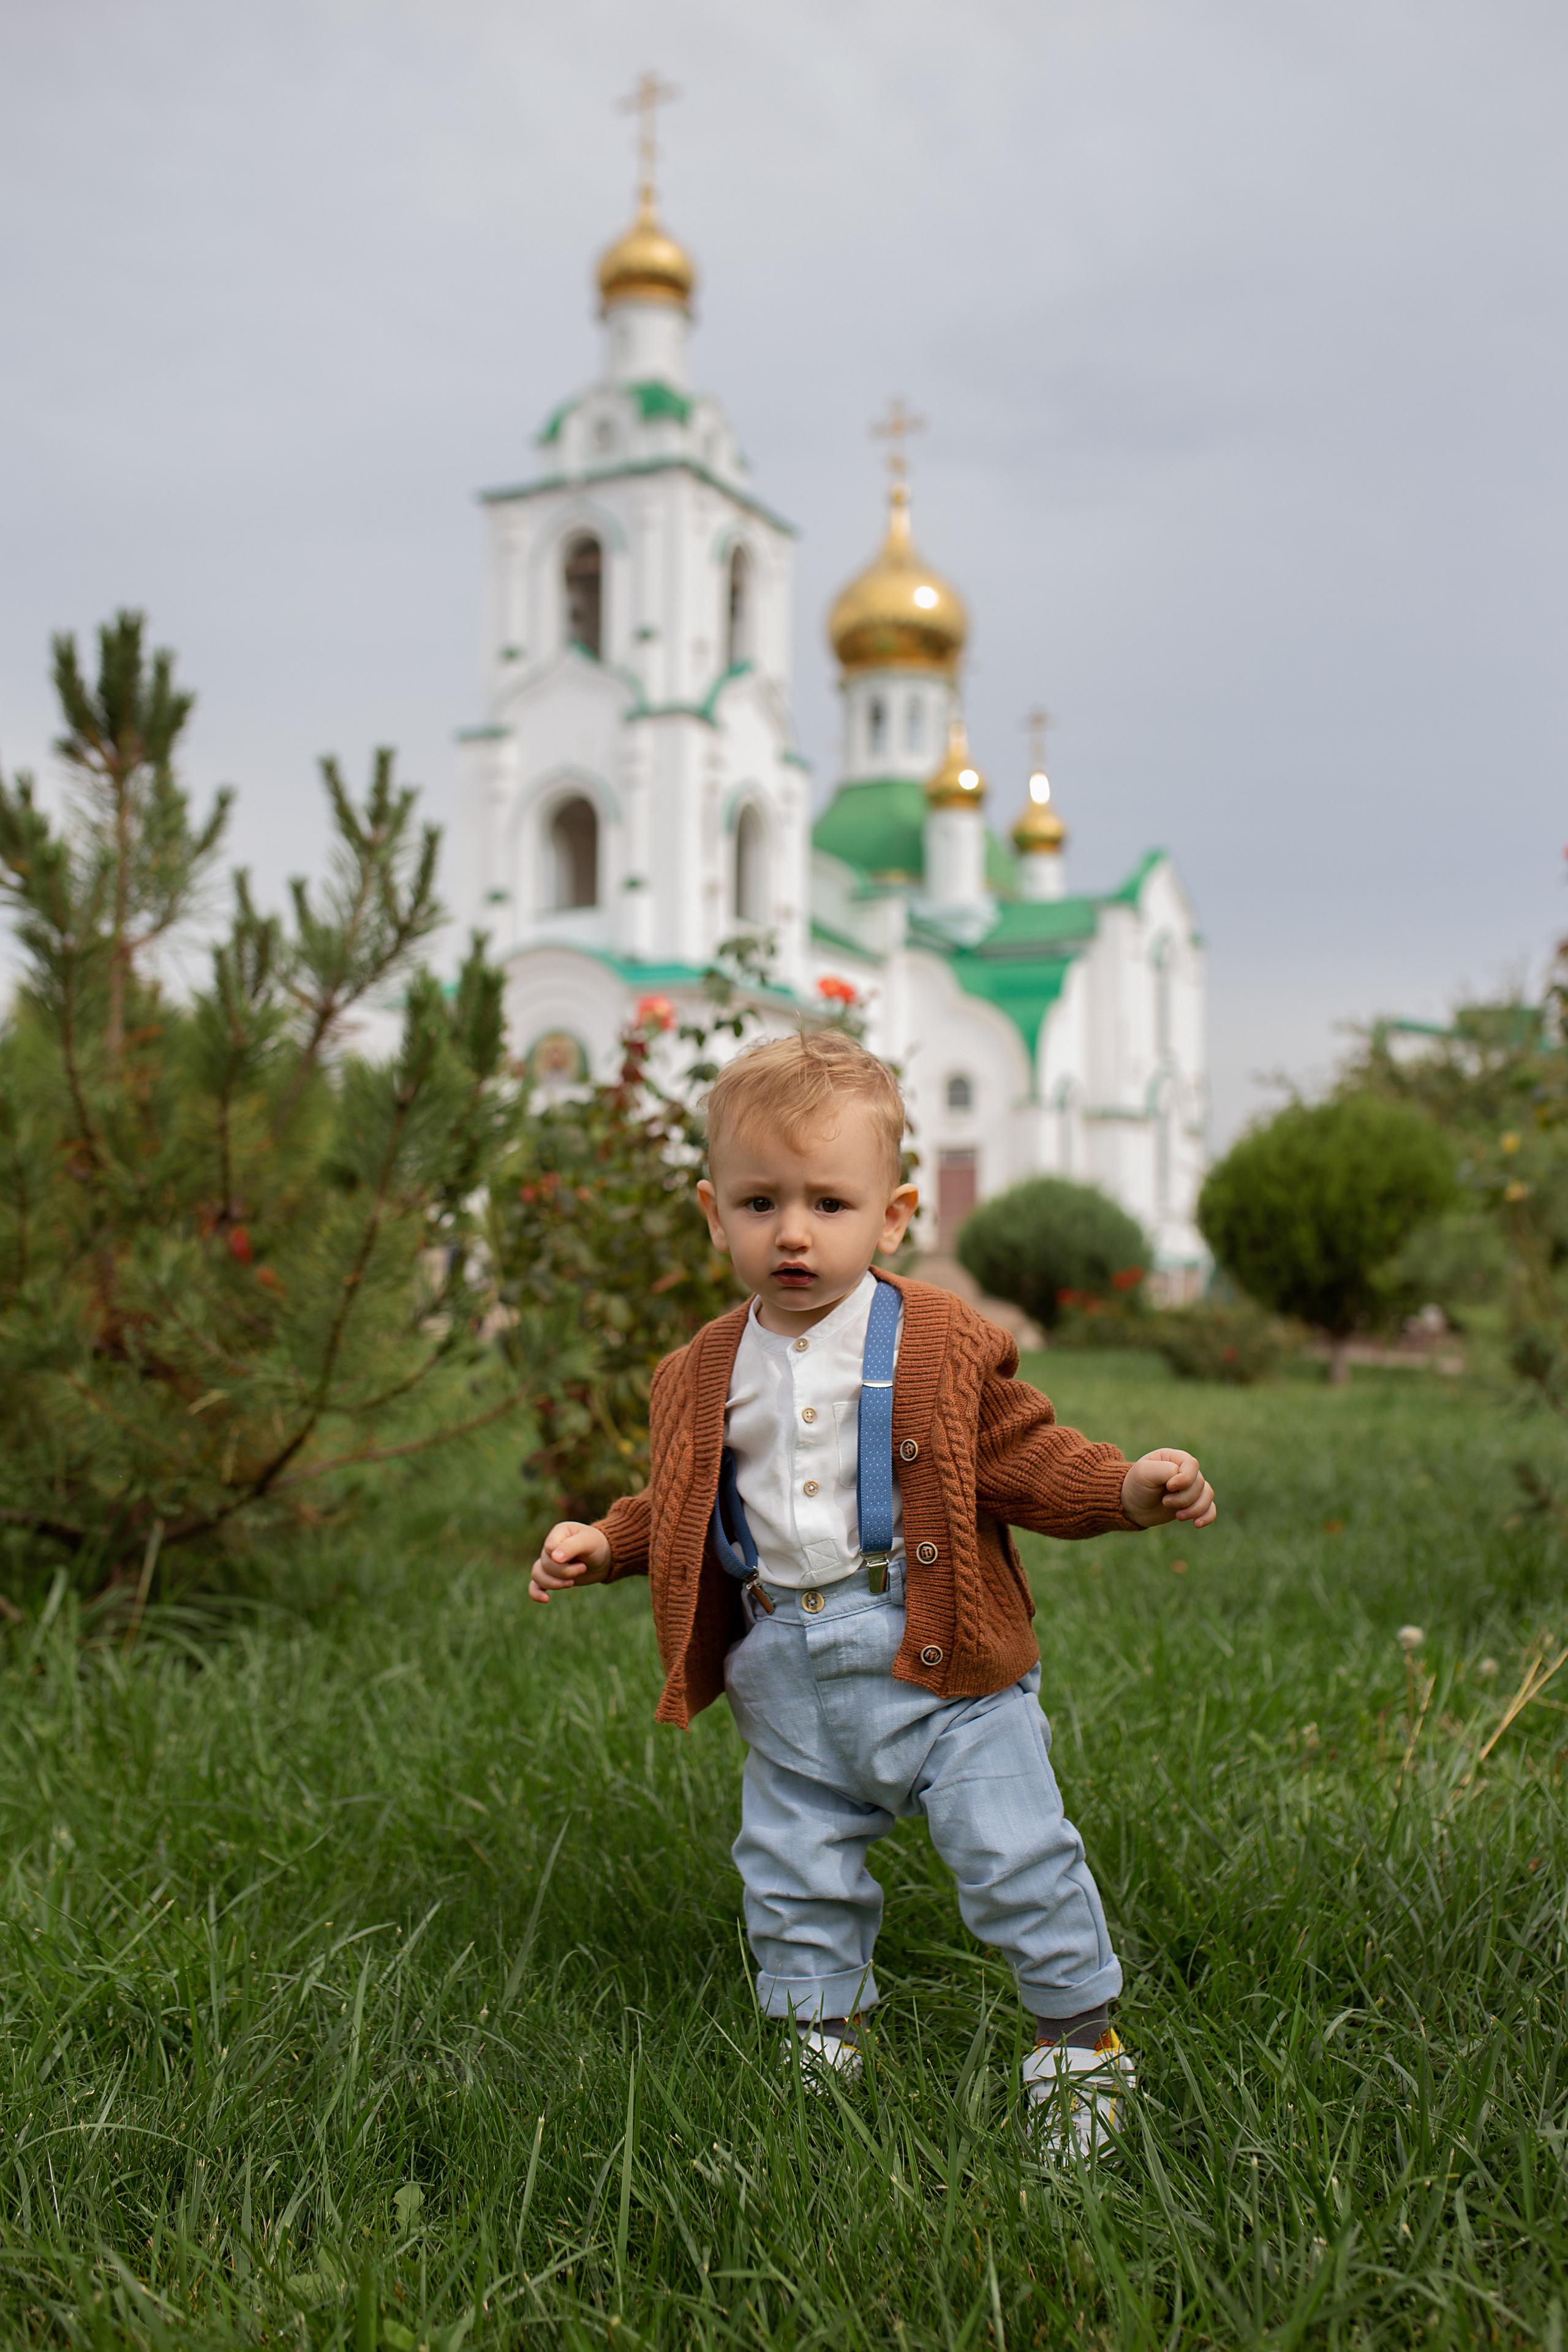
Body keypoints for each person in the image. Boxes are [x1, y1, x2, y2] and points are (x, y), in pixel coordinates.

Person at [529, 1031, 1215, 2154]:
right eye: (759, 1203)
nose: (792, 1232)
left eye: (830, 1205)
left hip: (948, 1665)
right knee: (792, 1869)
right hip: (785, 1669)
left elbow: (1025, 1456)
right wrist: (604, 1544)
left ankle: (1077, 2044)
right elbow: (689, 1501)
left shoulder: (939, 1344)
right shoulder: (699, 1371)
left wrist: (1130, 1488)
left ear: (893, 1216)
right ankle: (820, 2041)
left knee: (1014, 1852)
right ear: (714, 1214)